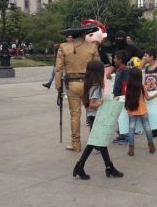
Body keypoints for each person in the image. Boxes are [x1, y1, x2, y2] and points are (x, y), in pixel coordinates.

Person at [72, 60, 123, 180]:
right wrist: (102, 102)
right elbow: (92, 104)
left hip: (93, 116)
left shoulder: (90, 84)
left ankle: (108, 167)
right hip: (95, 116)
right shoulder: (96, 86)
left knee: (100, 142)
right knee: (95, 142)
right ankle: (81, 166)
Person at [55, 21, 100, 151]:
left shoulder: (63, 47)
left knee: (75, 115)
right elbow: (98, 67)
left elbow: (58, 69)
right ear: (84, 33)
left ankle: (76, 144)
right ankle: (96, 142)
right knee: (92, 112)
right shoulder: (92, 47)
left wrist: (58, 87)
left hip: (72, 84)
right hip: (89, 84)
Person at [124, 67, 157, 156]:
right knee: (147, 128)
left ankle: (131, 149)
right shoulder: (141, 87)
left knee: (131, 129)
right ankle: (151, 146)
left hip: (132, 109)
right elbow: (148, 98)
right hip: (142, 109)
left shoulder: (128, 87)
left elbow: (127, 98)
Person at [111, 51, 130, 144]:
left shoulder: (125, 70)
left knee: (123, 117)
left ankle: (126, 136)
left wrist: (122, 96)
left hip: (122, 97)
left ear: (120, 60)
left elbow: (124, 84)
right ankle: (121, 135)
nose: (114, 60)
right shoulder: (119, 69)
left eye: (115, 58)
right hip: (117, 96)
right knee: (118, 117)